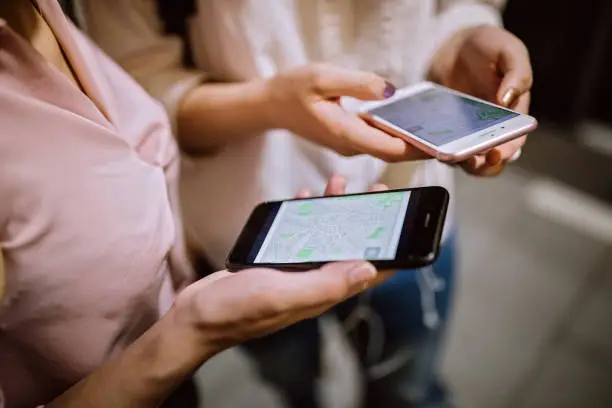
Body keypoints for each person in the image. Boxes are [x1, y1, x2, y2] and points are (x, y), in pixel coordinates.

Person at [76, 0, 532, 407]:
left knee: (409, 391)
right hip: (246, 217)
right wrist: (271, 104)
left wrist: (463, 37)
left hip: (408, 203)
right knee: (293, 380)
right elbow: (138, 88)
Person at [0, 1, 395, 407]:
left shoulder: (39, 12)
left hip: (178, 354)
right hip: (157, 355)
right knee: (294, 377)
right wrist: (192, 332)